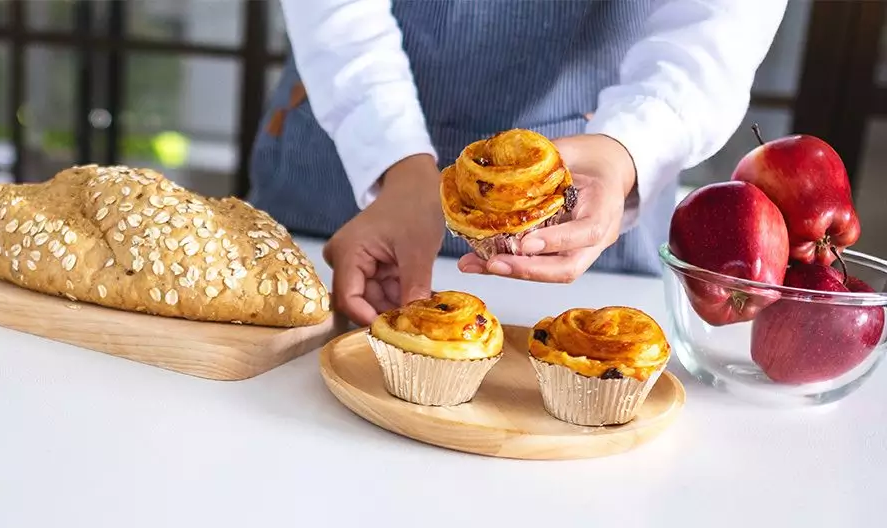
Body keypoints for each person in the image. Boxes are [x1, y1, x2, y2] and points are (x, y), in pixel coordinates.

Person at [247, 0, 790, 326]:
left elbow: (720, 19)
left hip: (602, 186)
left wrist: (626, 147)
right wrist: (393, 158)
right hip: (339, 167)